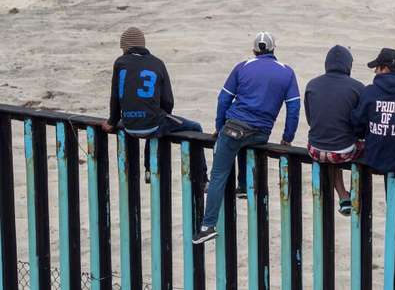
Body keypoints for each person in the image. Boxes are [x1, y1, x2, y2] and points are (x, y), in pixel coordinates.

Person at [193, 32, 300, 244]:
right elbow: (294, 107)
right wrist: (287, 137)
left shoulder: (242, 66)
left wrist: (218, 126)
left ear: (254, 50)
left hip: (233, 129)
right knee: (245, 141)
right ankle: (242, 185)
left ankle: (207, 225)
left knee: (218, 176)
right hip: (261, 134)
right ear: (273, 49)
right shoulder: (287, 72)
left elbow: (224, 99)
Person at [103, 27, 206, 183]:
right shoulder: (158, 63)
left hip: (128, 125)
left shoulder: (120, 63)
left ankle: (149, 170)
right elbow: (168, 101)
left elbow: (116, 97)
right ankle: (203, 179)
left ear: (126, 47)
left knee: (152, 120)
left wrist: (112, 122)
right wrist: (162, 113)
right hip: (152, 124)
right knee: (195, 127)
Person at [305, 45, 365, 215]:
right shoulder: (358, 87)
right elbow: (361, 124)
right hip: (342, 151)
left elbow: (311, 120)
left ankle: (343, 195)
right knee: (363, 147)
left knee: (332, 148)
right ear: (349, 65)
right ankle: (355, 191)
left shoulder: (312, 84)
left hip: (315, 149)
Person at [351, 48, 395, 175]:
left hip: (372, 157)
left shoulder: (369, 92)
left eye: (377, 68)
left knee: (364, 192)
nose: (375, 71)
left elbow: (358, 122)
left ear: (385, 69)